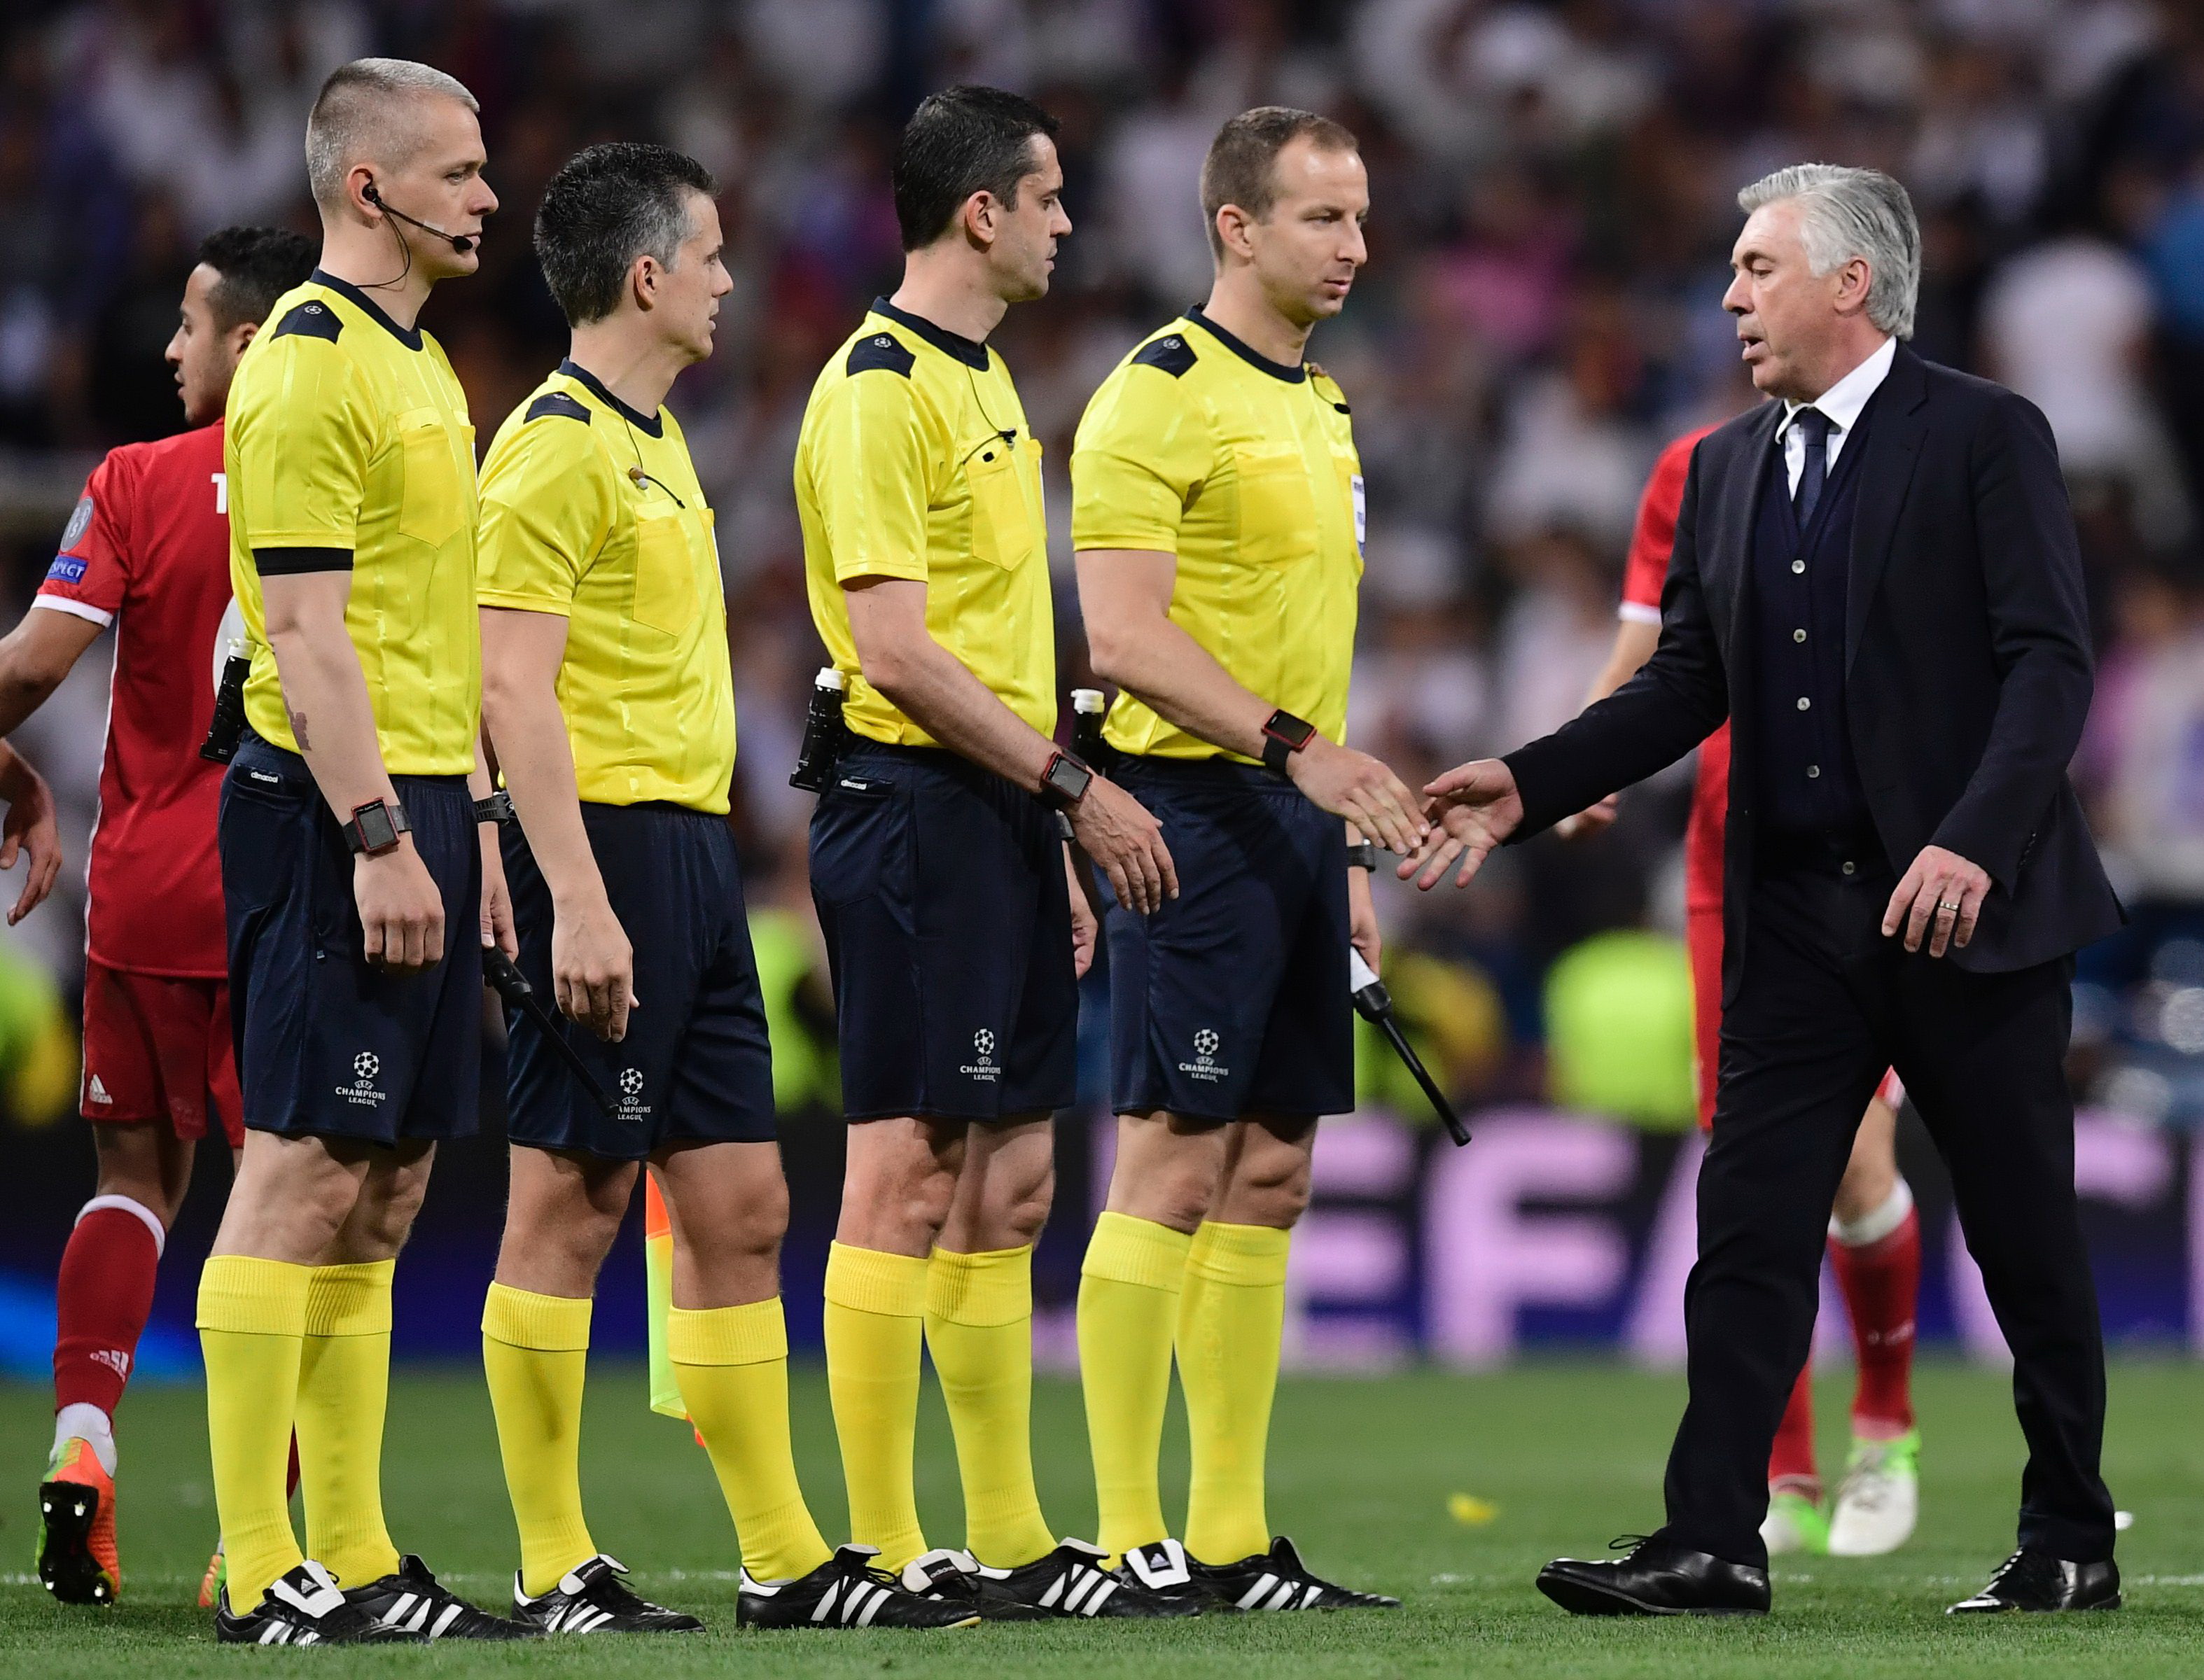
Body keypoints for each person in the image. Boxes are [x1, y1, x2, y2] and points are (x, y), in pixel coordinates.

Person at [1406, 164, 2125, 1617]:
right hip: (1792, 919)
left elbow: (2049, 663)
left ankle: (2067, 1539)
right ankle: (1711, 1540)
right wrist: (1528, 780)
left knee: (2024, 1237)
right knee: (1744, 1232)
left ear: (1850, 283)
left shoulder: (1983, 432)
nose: (1728, 296)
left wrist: (1973, 842)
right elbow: (1687, 680)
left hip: (1962, 914)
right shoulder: (1726, 467)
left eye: (1755, 268)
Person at [475, 141, 970, 1636]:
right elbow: (510, 687)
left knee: (744, 1207)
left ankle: (782, 1563)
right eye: (708, 256)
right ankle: (552, 1563)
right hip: (603, 852)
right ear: (646, 277)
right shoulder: (552, 449)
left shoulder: (653, 439)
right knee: (570, 1204)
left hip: (688, 856)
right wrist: (573, 895)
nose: (729, 281)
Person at [794, 85, 1185, 1619]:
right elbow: (894, 651)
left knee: (1011, 1182)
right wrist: (1073, 786)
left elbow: (995, 639)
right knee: (904, 1172)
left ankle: (1011, 1538)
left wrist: (1049, 821)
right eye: (1048, 196)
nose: (1066, 223)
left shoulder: (985, 380)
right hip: (910, 810)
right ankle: (885, 1546)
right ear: (981, 212)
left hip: (1000, 812)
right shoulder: (877, 388)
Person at [1068, 105, 1417, 1612]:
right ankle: (1123, 1533)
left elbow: (1304, 641)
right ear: (1236, 226)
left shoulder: (1321, 404)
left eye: (1359, 217)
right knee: (1171, 1155)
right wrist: (1297, 755)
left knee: (1270, 1168)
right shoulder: (1155, 394)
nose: (1354, 246)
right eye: (1323, 217)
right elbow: (1122, 637)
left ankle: (1227, 1538)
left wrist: (1339, 850)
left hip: (1289, 820)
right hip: (1191, 811)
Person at [202, 58, 524, 1644]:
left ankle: (355, 1550)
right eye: (458, 172)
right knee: (300, 1165)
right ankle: (262, 1566)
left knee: (386, 1186)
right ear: (370, 187)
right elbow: (308, 636)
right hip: (336, 809)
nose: (487, 196)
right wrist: (384, 835)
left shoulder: (421, 363)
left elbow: (429, 627)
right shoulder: (307, 366)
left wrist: (478, 824)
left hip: (424, 802)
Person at [11, 225, 311, 1609]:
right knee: (293, 1201)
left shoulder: (132, 480)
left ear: (249, 340)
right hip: (285, 890)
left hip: (140, 892)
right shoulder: (354, 476)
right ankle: (259, 1536)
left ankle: (84, 1441)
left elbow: (30, 666)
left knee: (131, 1181)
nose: (173, 348)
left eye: (191, 326)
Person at [1572, 426, 1925, 1560]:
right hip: (1732, 862)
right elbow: (1652, 639)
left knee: (1854, 1165)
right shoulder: (1694, 468)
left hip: (1871, 854)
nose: (1743, 330)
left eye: (1761, 321)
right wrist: (1581, 762)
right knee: (1749, 1166)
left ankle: (1887, 1428)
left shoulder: (1915, 452)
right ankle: (1786, 1475)